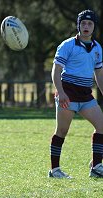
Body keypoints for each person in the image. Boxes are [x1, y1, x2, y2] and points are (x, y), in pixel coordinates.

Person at [48, 9, 103, 179]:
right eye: (83, 23)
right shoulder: (67, 45)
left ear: (94, 27)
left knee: (102, 126)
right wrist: (62, 93)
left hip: (86, 95)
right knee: (62, 131)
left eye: (90, 23)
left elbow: (99, 74)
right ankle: (55, 170)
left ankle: (96, 167)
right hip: (68, 93)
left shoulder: (97, 48)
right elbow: (55, 71)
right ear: (78, 25)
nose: (86, 26)